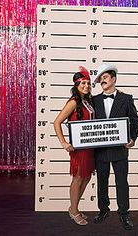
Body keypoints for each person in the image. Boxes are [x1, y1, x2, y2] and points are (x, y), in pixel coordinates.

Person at [92, 64, 138, 230]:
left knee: (121, 182)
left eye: (104, 77)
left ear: (113, 79)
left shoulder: (126, 98)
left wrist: (132, 139)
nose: (101, 81)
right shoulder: (94, 100)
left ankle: (124, 214)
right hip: (100, 150)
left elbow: (134, 121)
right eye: (100, 79)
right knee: (101, 182)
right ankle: (103, 210)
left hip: (120, 149)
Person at [53, 66, 95, 226]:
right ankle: (74, 210)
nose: (86, 86)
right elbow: (56, 122)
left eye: (88, 83)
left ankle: (74, 207)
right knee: (78, 178)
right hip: (79, 148)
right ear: (76, 86)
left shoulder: (87, 100)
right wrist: (63, 142)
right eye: (83, 83)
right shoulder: (72, 102)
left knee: (87, 176)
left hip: (90, 146)